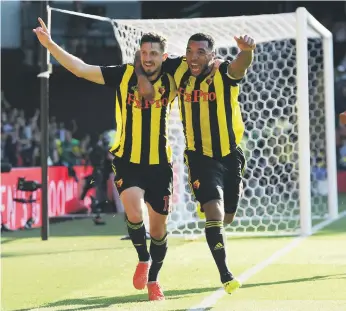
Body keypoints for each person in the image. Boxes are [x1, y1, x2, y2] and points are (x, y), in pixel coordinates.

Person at [34, 18, 177, 301]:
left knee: (159, 229)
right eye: (144, 53)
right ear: (139, 53)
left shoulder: (174, 78)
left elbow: (201, 69)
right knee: (135, 213)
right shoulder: (123, 75)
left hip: (160, 165)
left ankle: (154, 280)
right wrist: (50, 45)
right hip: (127, 160)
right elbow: (81, 69)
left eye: (154, 54)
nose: (148, 58)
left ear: (164, 56)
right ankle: (143, 259)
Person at [158, 33, 255, 294]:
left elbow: (240, 66)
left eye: (200, 52)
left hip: (229, 154)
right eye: (190, 50)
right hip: (199, 156)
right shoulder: (180, 69)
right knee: (214, 212)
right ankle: (226, 275)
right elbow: (152, 61)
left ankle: (221, 200)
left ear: (211, 55)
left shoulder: (222, 72)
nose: (193, 56)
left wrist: (247, 50)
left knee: (227, 217)